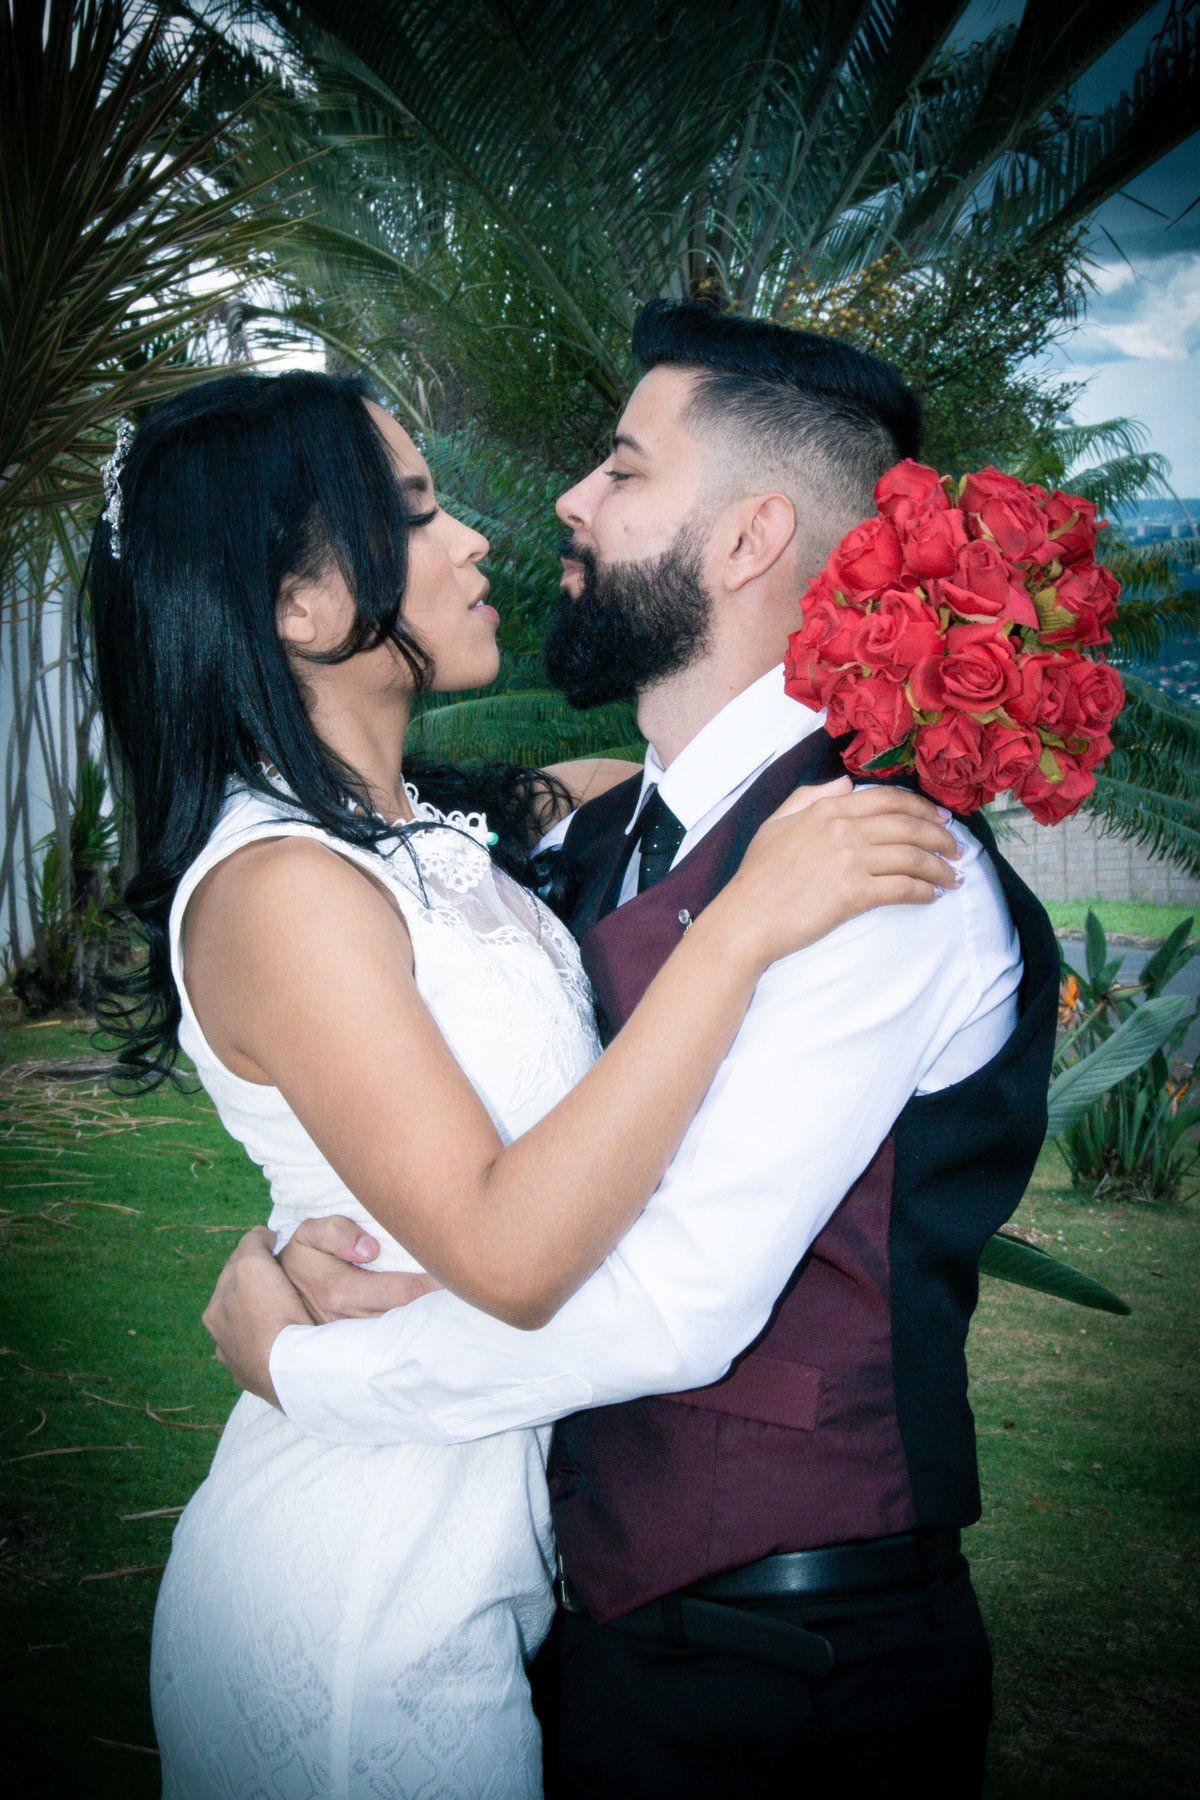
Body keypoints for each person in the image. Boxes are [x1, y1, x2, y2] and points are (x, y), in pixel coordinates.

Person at [206, 306, 1060, 1798]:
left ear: (747, 540)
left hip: (787, 1675)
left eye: (620, 467)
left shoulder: (876, 867)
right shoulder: (598, 840)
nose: (566, 502)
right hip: (574, 1625)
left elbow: (671, 1304)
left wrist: (305, 1367)